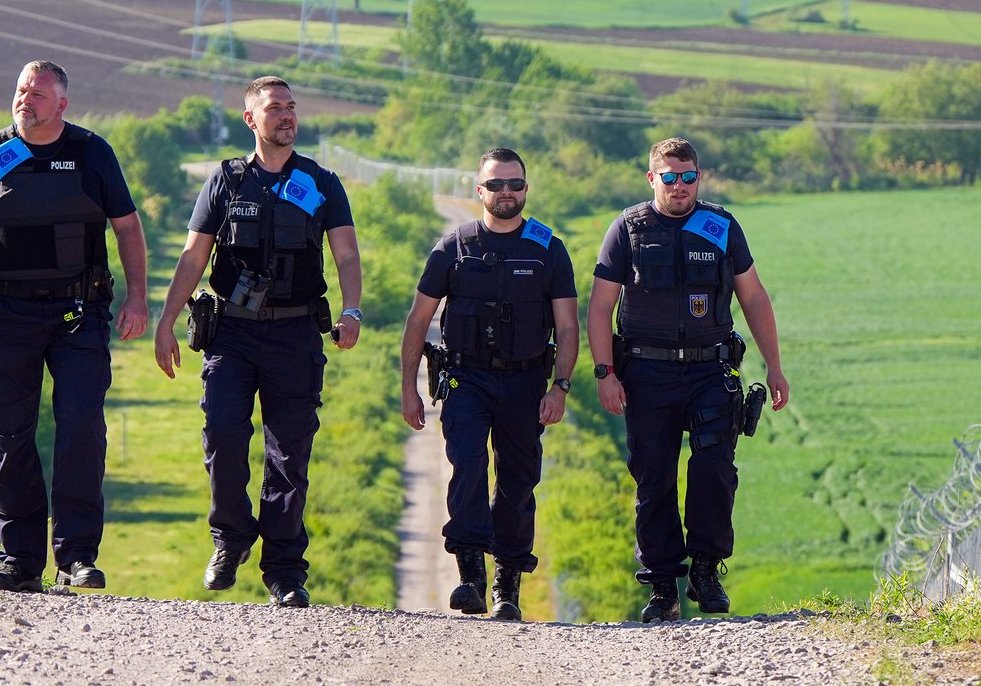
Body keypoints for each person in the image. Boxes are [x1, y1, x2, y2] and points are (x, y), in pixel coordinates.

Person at [0, 60, 149, 593]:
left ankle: (77, 557)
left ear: (62, 105)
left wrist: (139, 298)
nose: (25, 100)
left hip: (79, 313)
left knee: (80, 429)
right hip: (6, 315)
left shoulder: (92, 152)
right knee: (11, 434)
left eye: (37, 94)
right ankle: (19, 560)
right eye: (21, 91)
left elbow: (127, 226)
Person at [154, 76, 361, 609]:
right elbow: (194, 258)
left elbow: (346, 256)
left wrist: (352, 309)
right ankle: (231, 538)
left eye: (291, 107)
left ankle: (285, 571)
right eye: (275, 109)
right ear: (251, 119)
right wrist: (166, 321)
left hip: (295, 332)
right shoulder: (226, 182)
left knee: (289, 455)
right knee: (222, 436)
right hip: (233, 332)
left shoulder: (321, 183)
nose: (287, 116)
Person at [587, 137, 789, 622]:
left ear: (700, 177)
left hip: (709, 369)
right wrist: (604, 373)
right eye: (670, 177)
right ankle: (662, 585)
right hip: (646, 373)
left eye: (689, 176)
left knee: (714, 469)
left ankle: (705, 568)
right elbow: (599, 307)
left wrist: (775, 367)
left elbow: (754, 298)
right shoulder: (628, 229)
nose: (680, 186)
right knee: (653, 478)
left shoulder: (720, 226)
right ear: (652, 178)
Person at [400, 149, 579, 621]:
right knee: (469, 468)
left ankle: (508, 583)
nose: (506, 193)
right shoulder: (453, 247)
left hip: (525, 381)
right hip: (466, 378)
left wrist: (559, 386)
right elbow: (418, 321)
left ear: (526, 189)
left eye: (515, 185)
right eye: (496, 184)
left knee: (519, 480)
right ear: (478, 190)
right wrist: (408, 387)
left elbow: (567, 327)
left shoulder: (548, 249)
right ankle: (470, 576)